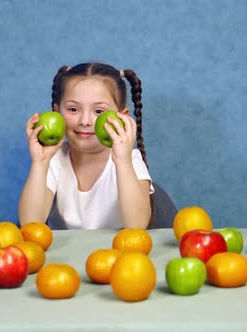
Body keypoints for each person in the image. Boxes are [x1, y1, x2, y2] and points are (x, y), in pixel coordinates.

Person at [18, 63, 154, 230]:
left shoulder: (130, 160)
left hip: (117, 253)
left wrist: (122, 162)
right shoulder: (54, 159)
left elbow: (137, 225)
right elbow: (30, 224)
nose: (85, 121)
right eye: (73, 109)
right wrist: (40, 163)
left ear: (122, 117)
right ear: (57, 112)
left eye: (99, 112)